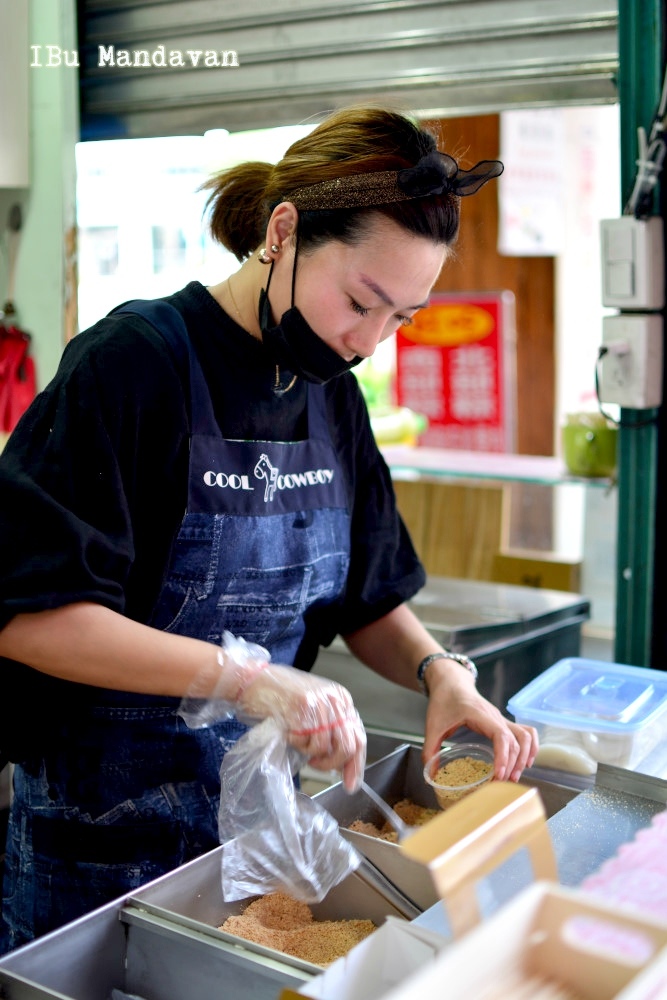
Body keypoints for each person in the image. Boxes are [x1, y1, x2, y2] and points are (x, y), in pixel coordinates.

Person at [0, 104, 538, 952]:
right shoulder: (131, 365)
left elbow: (366, 599)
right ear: (283, 231)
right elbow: (34, 620)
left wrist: (440, 672)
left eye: (399, 318)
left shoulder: (330, 391)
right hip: (98, 852)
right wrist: (250, 680)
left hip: (255, 847)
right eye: (360, 300)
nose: (364, 344)